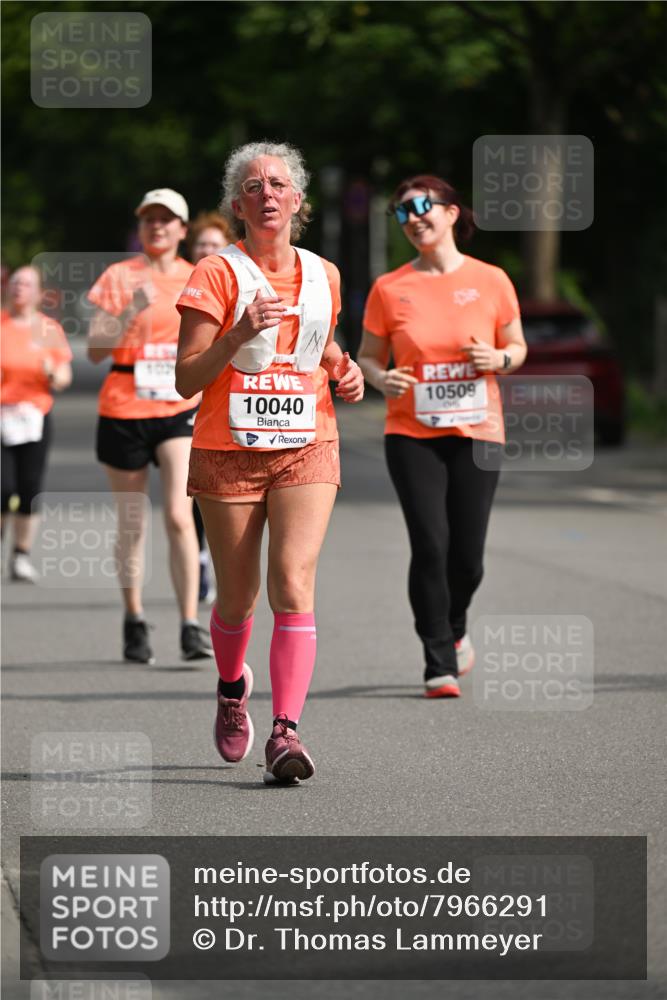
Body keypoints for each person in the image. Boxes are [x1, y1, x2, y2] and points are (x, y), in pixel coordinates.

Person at [175, 141, 364, 783]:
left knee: (293, 581)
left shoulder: (325, 273)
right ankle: (233, 688)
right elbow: (185, 380)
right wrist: (238, 332)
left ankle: (285, 733)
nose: (267, 192)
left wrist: (343, 366)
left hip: (308, 441)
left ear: (298, 201)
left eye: (278, 183)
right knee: (237, 598)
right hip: (228, 450)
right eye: (253, 185)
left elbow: (317, 338)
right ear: (238, 205)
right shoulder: (215, 275)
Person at [358, 175, 527, 698]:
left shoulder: (493, 279)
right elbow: (367, 356)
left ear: (452, 212)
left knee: (468, 555)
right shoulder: (390, 287)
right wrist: (382, 378)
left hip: (479, 430)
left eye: (422, 206)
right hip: (411, 431)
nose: (412, 218)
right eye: (401, 213)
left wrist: (497, 359)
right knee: (430, 544)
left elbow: (516, 347)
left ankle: (455, 626)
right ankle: (438, 660)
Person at [87, 188, 213, 665]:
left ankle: (188, 624)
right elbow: (97, 350)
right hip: (123, 407)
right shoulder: (120, 276)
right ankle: (134, 618)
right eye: (149, 220)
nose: (156, 227)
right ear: (140, 228)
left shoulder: (198, 276)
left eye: (167, 220)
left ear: (183, 229)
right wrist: (127, 310)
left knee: (181, 516)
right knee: (133, 522)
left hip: (179, 409)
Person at [1, 266, 72, 581]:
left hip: (34, 417)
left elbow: (64, 377)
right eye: (16, 282)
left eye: (27, 284)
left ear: (38, 292)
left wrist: (51, 372)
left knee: (29, 489)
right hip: (2, 415)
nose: (19, 288)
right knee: (3, 489)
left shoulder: (48, 329)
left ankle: (20, 556)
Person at [187, 212, 234, 603]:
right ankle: (198, 553)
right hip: (176, 399)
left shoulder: (236, 281)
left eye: (214, 245)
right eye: (201, 244)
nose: (206, 251)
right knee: (182, 501)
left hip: (225, 405)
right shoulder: (189, 284)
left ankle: (205, 553)